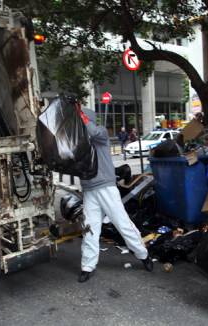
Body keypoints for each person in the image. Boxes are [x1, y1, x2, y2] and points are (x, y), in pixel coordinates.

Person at [76, 107, 153, 283]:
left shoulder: (100, 133)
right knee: (89, 229)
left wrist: (80, 116)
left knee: (122, 223)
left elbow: (92, 131)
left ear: (86, 119)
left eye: (80, 121)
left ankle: (143, 255)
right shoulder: (79, 141)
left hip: (106, 187)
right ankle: (87, 266)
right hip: (89, 189)